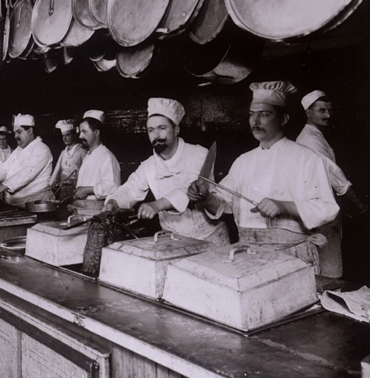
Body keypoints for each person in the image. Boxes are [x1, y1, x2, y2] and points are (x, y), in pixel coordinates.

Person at [189, 81, 339, 272]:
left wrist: (285, 206)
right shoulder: (243, 161)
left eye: (265, 114)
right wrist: (205, 196)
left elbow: (328, 208)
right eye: (252, 114)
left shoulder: (307, 158)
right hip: (248, 256)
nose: (255, 121)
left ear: (283, 119)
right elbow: (222, 204)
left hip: (292, 258)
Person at [81, 98, 229, 276]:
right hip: (173, 245)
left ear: (176, 129)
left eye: (162, 128)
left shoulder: (198, 154)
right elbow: (129, 188)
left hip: (210, 242)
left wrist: (157, 205)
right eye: (151, 130)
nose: (156, 135)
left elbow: (191, 188)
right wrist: (113, 202)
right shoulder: (149, 165)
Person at [295, 90, 366, 277]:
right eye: (321, 110)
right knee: (329, 265)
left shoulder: (317, 136)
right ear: (308, 113)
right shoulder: (310, 139)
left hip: (323, 207)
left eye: (329, 110)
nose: (327, 115)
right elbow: (335, 176)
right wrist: (360, 205)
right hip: (320, 209)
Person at [0, 114, 53, 207]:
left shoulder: (42, 149)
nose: (16, 136)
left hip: (35, 204)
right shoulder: (19, 150)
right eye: (15, 133)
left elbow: (27, 173)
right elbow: (5, 168)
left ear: (30, 131)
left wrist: (2, 186)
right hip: (17, 204)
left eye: (19, 132)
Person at [74, 110, 120, 201]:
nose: (80, 136)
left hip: (98, 212)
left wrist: (87, 190)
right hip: (83, 210)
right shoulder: (88, 156)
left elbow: (113, 187)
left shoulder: (107, 157)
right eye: (80, 132)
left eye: (84, 132)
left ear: (96, 133)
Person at [49, 119, 87, 201]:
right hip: (64, 189)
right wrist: (50, 185)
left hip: (76, 188)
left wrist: (74, 181)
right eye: (63, 135)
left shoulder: (81, 151)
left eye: (68, 135)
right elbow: (57, 171)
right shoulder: (63, 153)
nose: (65, 138)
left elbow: (87, 172)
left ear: (74, 135)